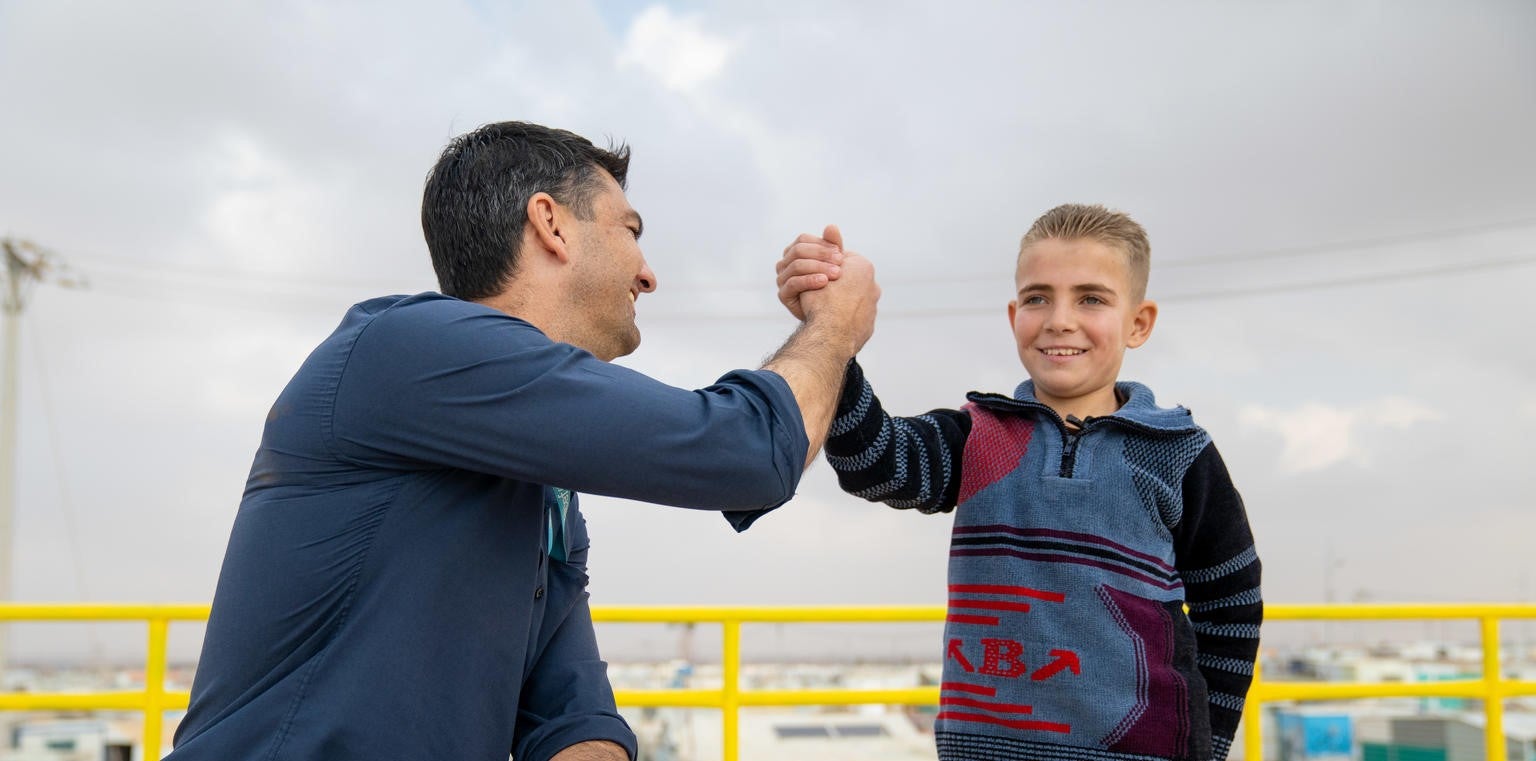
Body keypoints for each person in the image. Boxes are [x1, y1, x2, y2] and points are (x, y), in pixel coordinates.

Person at [167, 121, 879, 761]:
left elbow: (567, 709)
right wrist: (836, 324)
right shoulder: (409, 348)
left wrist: (589, 741)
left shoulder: (540, 480)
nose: (648, 273)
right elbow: (748, 451)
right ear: (552, 224)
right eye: (630, 229)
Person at [778, 204, 1262, 761]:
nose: (1059, 319)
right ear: (1013, 317)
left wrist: (1209, 745)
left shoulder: (1179, 453)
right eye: (1037, 298)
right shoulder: (979, 436)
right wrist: (830, 328)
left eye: (1091, 298)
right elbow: (875, 463)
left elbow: (1233, 606)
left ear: (1139, 322)